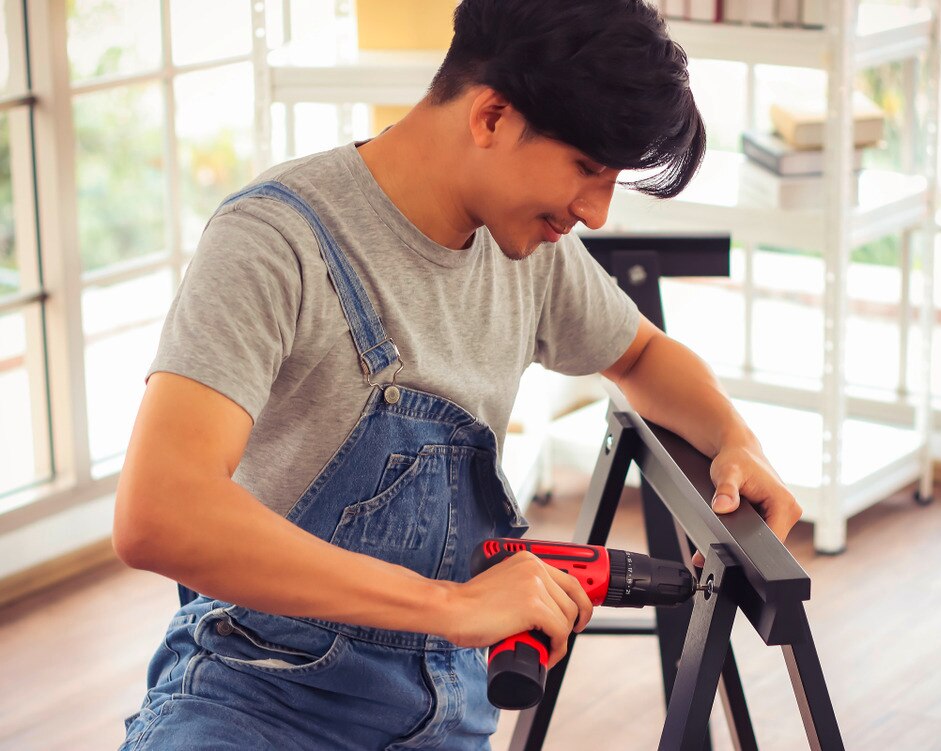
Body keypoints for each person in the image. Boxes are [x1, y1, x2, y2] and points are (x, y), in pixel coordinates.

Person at [114, 0, 802, 748]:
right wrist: (448, 606)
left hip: (446, 718)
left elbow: (640, 355)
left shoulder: (529, 254)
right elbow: (161, 511)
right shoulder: (274, 241)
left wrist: (735, 438)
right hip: (259, 700)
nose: (598, 213)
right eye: (587, 168)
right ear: (492, 117)